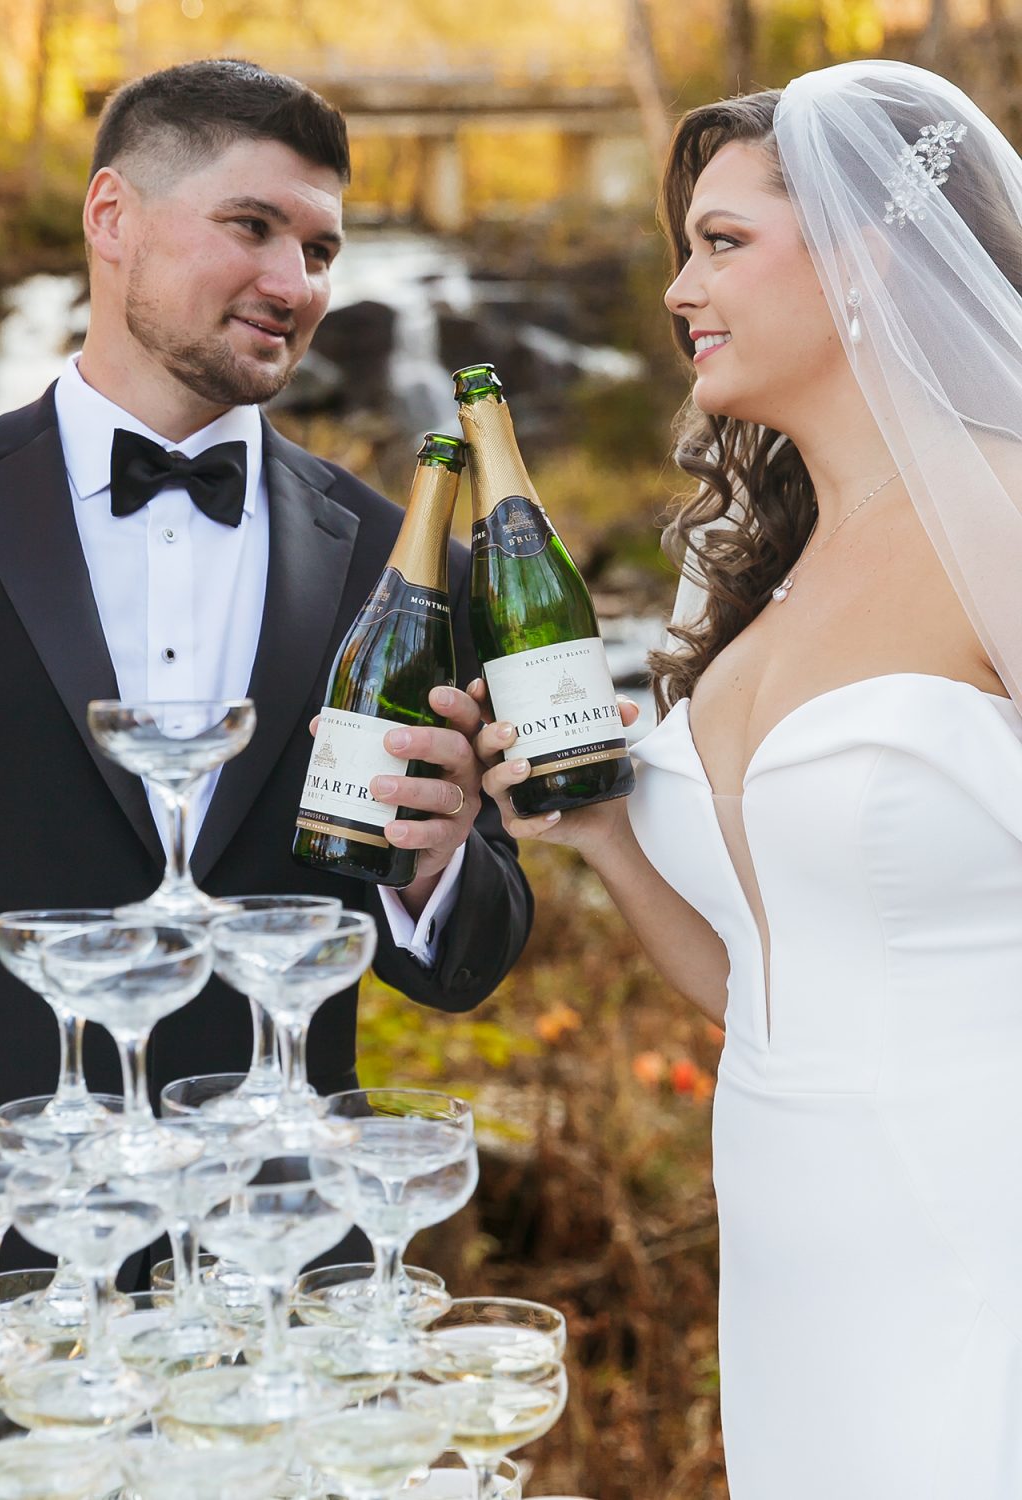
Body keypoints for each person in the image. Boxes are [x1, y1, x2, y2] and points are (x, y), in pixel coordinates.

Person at [0, 57, 531, 1433]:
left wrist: (437, 865)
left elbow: (475, 951)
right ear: (113, 216)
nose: (298, 280)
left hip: (279, 1276)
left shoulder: (399, 554)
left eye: (322, 247)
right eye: (252, 227)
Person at [480, 59, 1022, 1497]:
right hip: (789, 1240)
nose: (678, 291)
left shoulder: (1010, 515)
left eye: (723, 243)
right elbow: (767, 987)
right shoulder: (755, 570)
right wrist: (599, 834)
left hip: (986, 1213)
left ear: (872, 253)